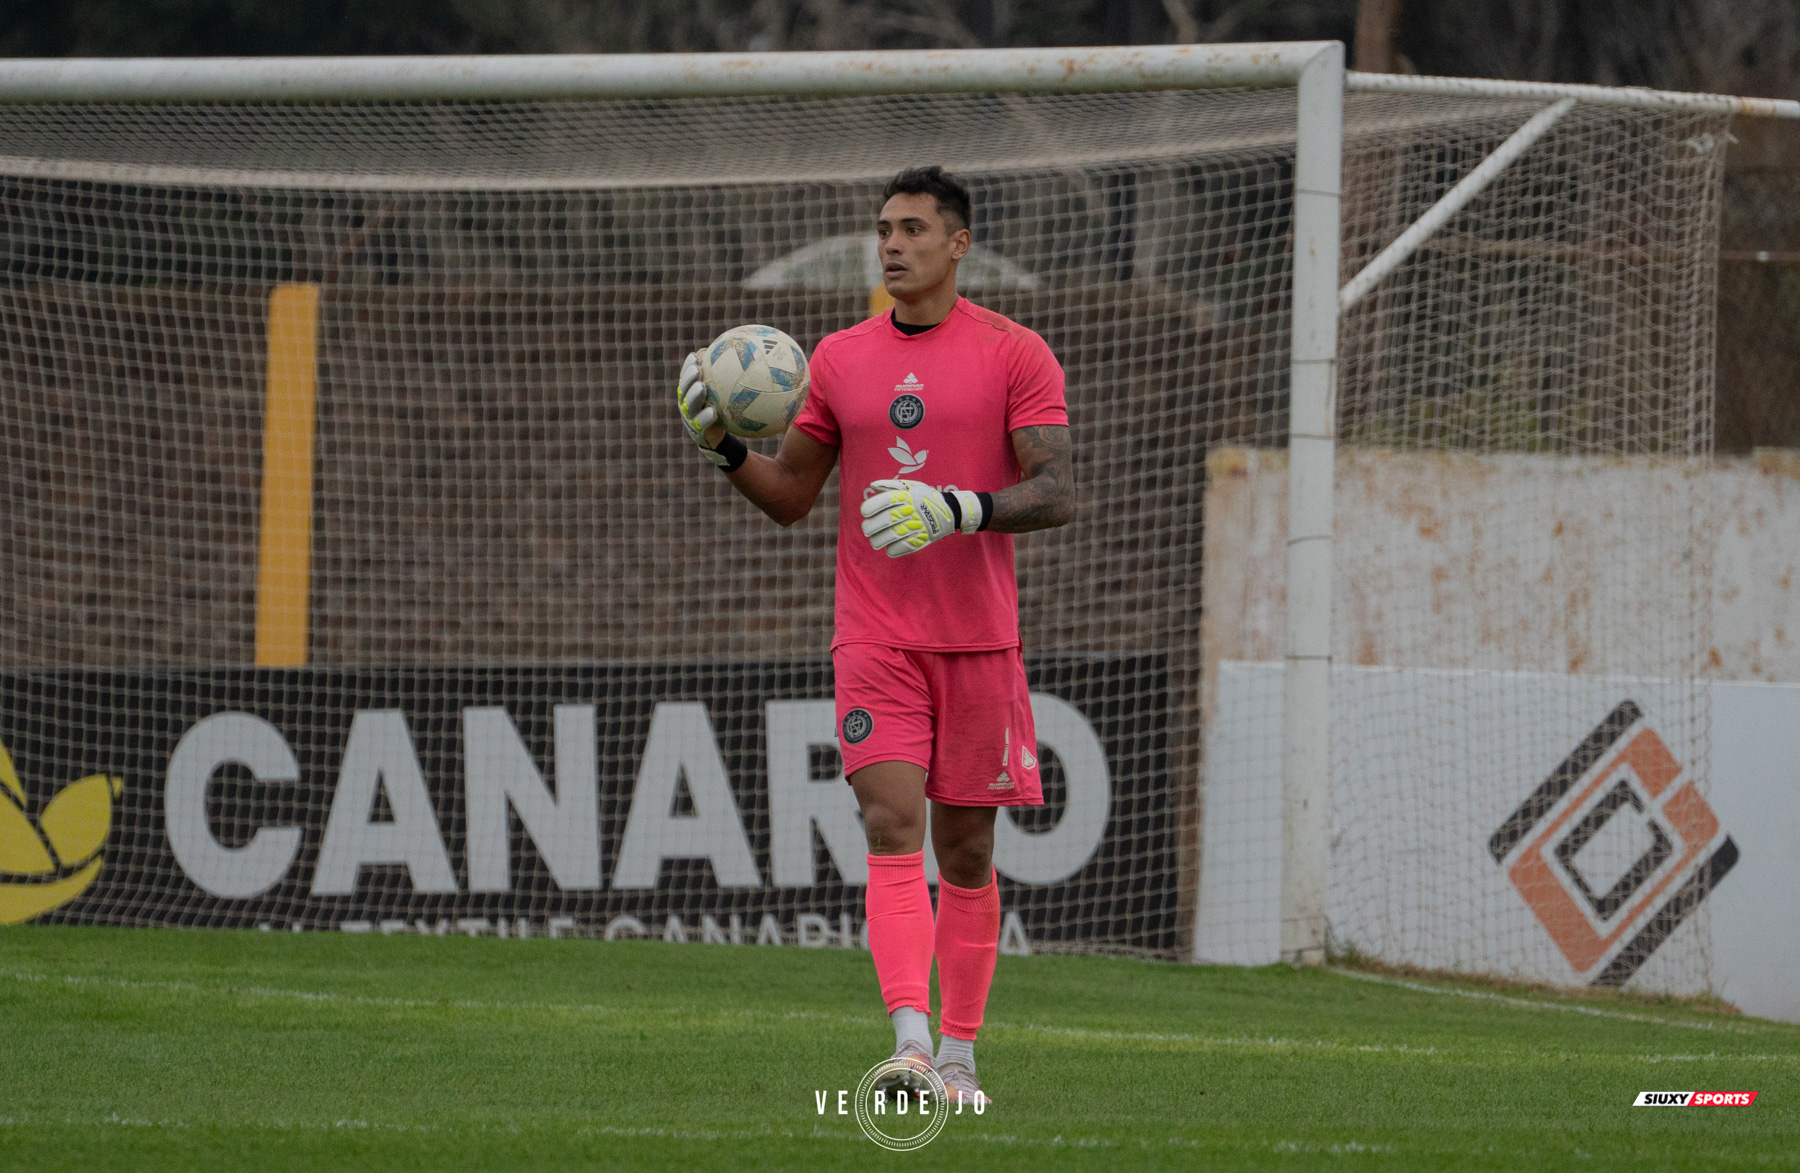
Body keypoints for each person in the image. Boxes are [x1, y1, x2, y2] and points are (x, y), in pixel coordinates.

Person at [675, 165, 1073, 1106]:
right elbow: (792, 497)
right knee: (891, 826)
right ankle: (909, 1047)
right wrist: (727, 450)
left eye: (912, 229)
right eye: (883, 229)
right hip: (876, 638)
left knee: (966, 852)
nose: (892, 244)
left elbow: (1059, 492)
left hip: (977, 641)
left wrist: (958, 508)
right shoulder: (840, 359)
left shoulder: (1017, 352)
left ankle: (964, 1058)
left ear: (958, 244)